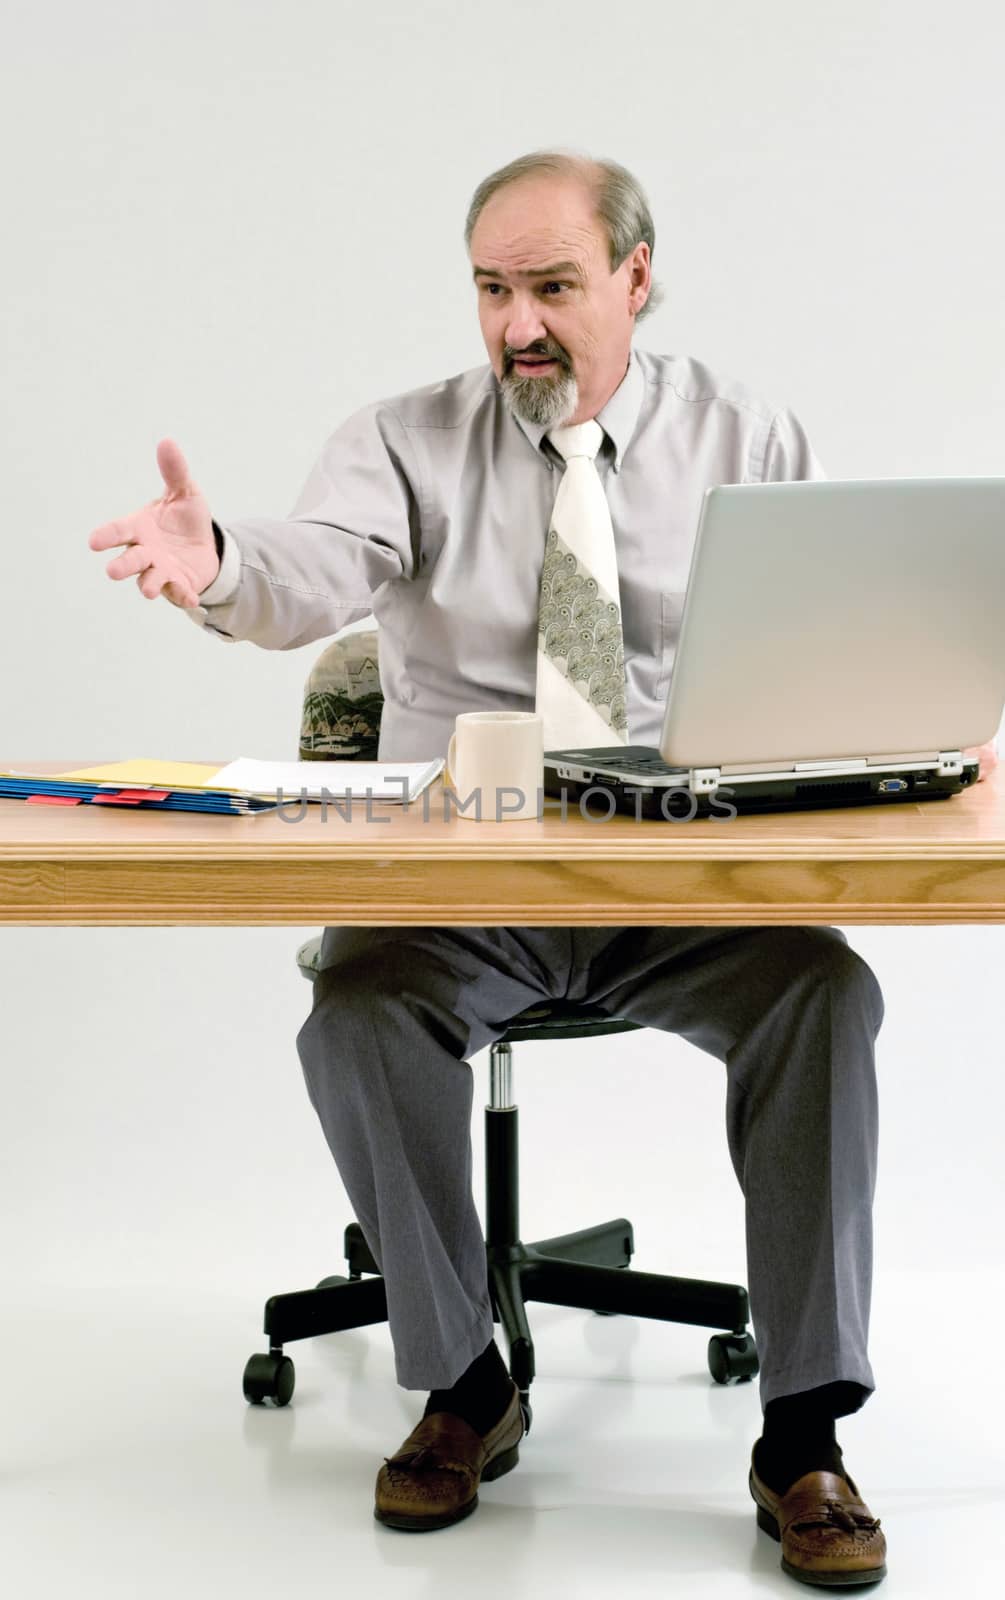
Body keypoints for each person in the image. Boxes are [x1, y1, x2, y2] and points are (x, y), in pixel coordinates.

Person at [88, 147, 997, 1588]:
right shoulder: (403, 440)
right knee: (359, 1008)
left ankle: (803, 1433)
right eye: (493, 289)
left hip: (679, 893)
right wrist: (214, 564)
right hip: (464, 890)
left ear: (635, 280)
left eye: (554, 287)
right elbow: (310, 566)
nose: (518, 324)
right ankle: (460, 1385)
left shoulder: (746, 433)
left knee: (824, 992)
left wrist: (917, 723)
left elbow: (826, 639)